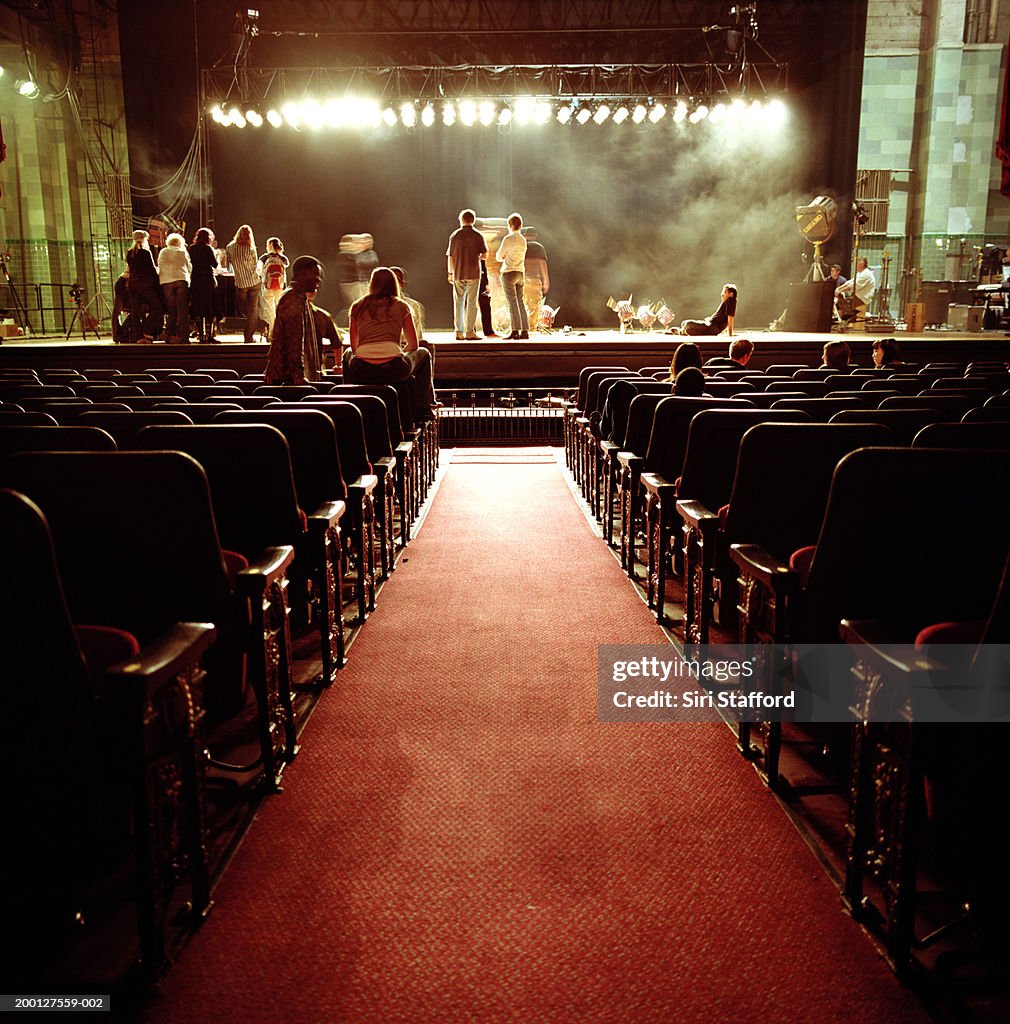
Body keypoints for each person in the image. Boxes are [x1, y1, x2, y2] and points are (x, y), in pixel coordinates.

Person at [343, 266, 437, 421]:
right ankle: (424, 407)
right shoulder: (401, 306)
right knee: (424, 353)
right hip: (394, 368)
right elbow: (413, 344)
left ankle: (349, 401)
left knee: (347, 354)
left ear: (372, 283)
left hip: (362, 369)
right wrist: (400, 352)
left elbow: (354, 347)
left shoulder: (357, 306)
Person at [264, 255, 327, 384]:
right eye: (315, 274)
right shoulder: (293, 300)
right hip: (287, 379)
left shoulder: (298, 298)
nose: (318, 279)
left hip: (288, 377)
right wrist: (298, 375)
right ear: (302, 274)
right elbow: (294, 341)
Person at [446, 208, 487, 340]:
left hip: (458, 273)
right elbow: (485, 255)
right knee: (472, 302)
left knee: (458, 303)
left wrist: (450, 273)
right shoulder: (478, 235)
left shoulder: (455, 235)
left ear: (461, 220)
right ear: (473, 220)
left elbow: (450, 257)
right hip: (474, 273)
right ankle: (470, 331)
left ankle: (459, 331)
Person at [125, 229, 164, 343]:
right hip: (145, 285)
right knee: (158, 307)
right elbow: (151, 270)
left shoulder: (129, 252)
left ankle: (137, 336)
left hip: (132, 285)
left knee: (135, 311)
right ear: (144, 239)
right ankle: (145, 328)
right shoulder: (146, 253)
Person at [225, 224, 261, 343]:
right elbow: (255, 265)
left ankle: (249, 327)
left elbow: (227, 265)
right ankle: (249, 336)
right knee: (253, 309)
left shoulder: (230, 247)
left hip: (240, 283)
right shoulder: (251, 247)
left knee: (243, 308)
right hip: (254, 281)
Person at [496, 212, 529, 339]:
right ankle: (525, 331)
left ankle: (515, 331)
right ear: (521, 225)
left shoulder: (508, 239)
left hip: (509, 272)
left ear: (509, 225)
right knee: (520, 301)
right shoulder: (523, 240)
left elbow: (498, 256)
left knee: (512, 302)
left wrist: (504, 256)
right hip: (520, 272)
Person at [157, 232, 191, 342]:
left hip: (166, 282)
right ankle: (183, 336)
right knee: (182, 310)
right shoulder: (182, 252)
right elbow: (189, 267)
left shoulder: (163, 251)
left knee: (172, 310)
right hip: (181, 280)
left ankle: (168, 333)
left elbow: (159, 265)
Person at [188, 227, 219, 343]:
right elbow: (215, 264)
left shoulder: (191, 248)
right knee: (209, 308)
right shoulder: (208, 249)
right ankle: (209, 335)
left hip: (196, 281)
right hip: (207, 281)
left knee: (198, 308)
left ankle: (201, 335)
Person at [259, 237, 289, 336]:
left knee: (269, 310)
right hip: (280, 287)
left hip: (267, 287)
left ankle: (272, 333)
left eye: (267, 245)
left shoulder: (265, 257)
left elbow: (258, 270)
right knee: (279, 309)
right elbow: (285, 267)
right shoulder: (283, 258)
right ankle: (281, 331)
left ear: (271, 245)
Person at [523, 227, 550, 334]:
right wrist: (546, 280)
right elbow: (542, 264)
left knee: (522, 305)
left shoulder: (521, 246)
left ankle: (522, 328)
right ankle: (531, 330)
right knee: (534, 307)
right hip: (534, 279)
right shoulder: (539, 247)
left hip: (521, 279)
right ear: (535, 235)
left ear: (524, 235)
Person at [836, 257, 876, 323]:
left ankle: (848, 320)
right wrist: (839, 288)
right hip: (857, 296)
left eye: (857, 264)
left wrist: (840, 290)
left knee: (843, 303)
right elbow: (850, 282)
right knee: (840, 301)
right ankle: (844, 320)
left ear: (862, 264)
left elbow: (855, 285)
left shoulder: (866, 274)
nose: (856, 266)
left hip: (862, 298)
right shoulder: (860, 273)